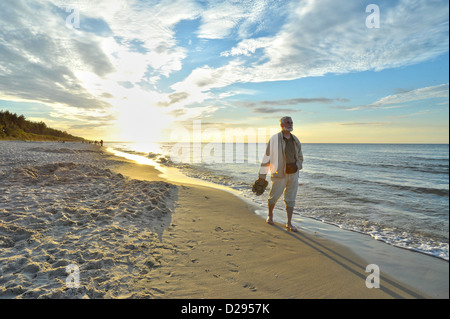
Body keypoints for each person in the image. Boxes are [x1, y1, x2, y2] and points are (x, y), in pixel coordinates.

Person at [258, 116, 303, 232]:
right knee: (273, 197)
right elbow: (266, 157)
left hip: (293, 174)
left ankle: (289, 223)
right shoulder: (274, 139)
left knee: (291, 199)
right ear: (282, 125)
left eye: (291, 122)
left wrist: (298, 166)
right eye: (287, 122)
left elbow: (300, 156)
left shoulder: (295, 139)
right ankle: (270, 215)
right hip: (279, 174)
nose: (290, 124)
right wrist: (262, 176)